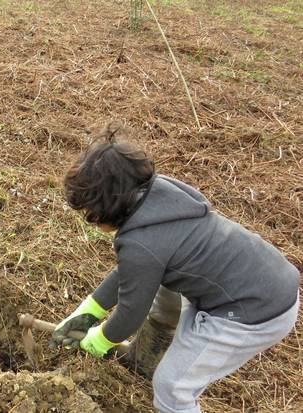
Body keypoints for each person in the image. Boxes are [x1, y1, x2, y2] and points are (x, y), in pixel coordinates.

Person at [50, 122, 299, 413]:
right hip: (265, 280)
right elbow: (130, 274)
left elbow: (131, 312)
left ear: (107, 208)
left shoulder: (141, 244)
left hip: (252, 313)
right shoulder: (158, 198)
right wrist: (89, 310)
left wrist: (100, 339)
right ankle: (148, 356)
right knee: (163, 290)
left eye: (89, 213)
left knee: (171, 387)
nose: (88, 220)